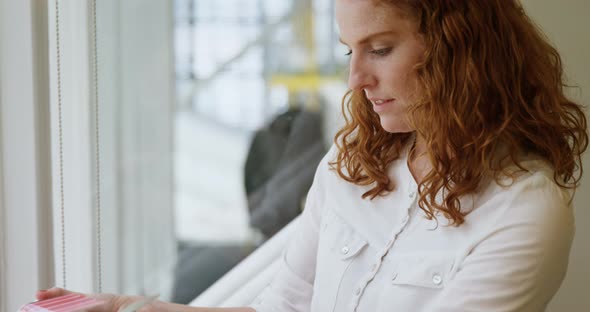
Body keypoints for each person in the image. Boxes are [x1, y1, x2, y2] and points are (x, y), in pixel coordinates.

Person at [36, 0, 588, 311]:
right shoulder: (354, 161)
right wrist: (125, 309)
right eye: (350, 51)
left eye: (380, 48)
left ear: (460, 49)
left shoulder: (523, 212)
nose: (356, 78)